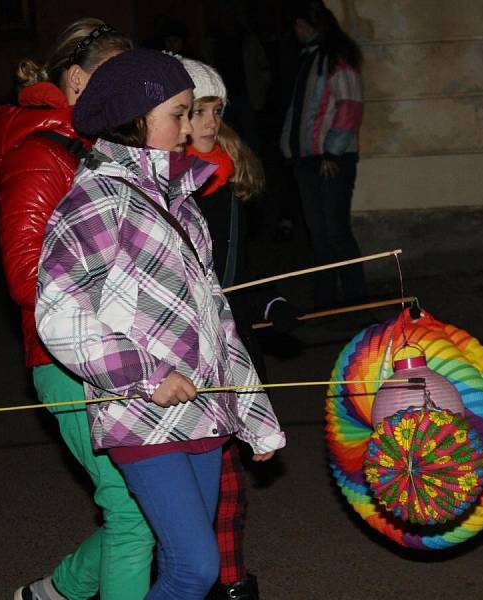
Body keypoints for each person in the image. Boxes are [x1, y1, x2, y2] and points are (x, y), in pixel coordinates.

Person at [35, 49, 286, 600]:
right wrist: (145, 373)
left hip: (201, 412)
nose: (188, 126)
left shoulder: (180, 201)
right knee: (193, 569)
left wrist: (254, 416)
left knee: (194, 568)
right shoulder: (96, 201)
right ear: (133, 117)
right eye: (177, 112)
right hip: (140, 413)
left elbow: (216, 319)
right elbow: (59, 314)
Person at [0, 20, 154, 600]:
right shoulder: (40, 154)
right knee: (133, 514)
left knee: (145, 510)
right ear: (76, 80)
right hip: (67, 356)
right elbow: (27, 280)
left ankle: (51, 594)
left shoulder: (94, 146)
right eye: (115, 78)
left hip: (115, 350)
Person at [181, 57, 297, 600]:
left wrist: (270, 302)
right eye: (196, 111)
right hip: (183, 349)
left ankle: (229, 583)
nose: (208, 121)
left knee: (229, 482)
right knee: (195, 487)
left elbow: (238, 270)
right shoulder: (168, 185)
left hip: (229, 345)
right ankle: (198, 577)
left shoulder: (226, 179)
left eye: (215, 110)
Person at [280, 0, 366, 309]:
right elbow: (301, 110)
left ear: (311, 25)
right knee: (319, 234)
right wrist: (290, 148)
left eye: (299, 24)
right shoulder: (311, 58)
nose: (296, 31)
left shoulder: (335, 58)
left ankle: (357, 301)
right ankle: (326, 303)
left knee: (335, 231)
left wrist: (333, 152)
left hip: (330, 160)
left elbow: (349, 106)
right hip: (308, 158)